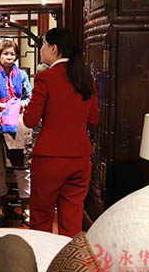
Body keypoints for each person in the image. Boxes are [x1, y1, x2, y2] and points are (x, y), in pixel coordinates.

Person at [23, 28, 99, 237]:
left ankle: (42, 256)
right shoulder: (86, 78)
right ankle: (69, 256)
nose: (41, 49)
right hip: (80, 157)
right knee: (72, 217)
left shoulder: (45, 78)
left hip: (50, 158)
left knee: (42, 215)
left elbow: (30, 120)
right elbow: (94, 119)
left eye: (43, 45)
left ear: (54, 48)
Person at [0, 40, 33, 224]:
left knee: (21, 167)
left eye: (12, 54)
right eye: (5, 53)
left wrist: (17, 105)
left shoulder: (21, 75)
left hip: (17, 124)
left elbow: (29, 97)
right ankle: (1, 204)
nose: (9, 57)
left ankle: (27, 207)